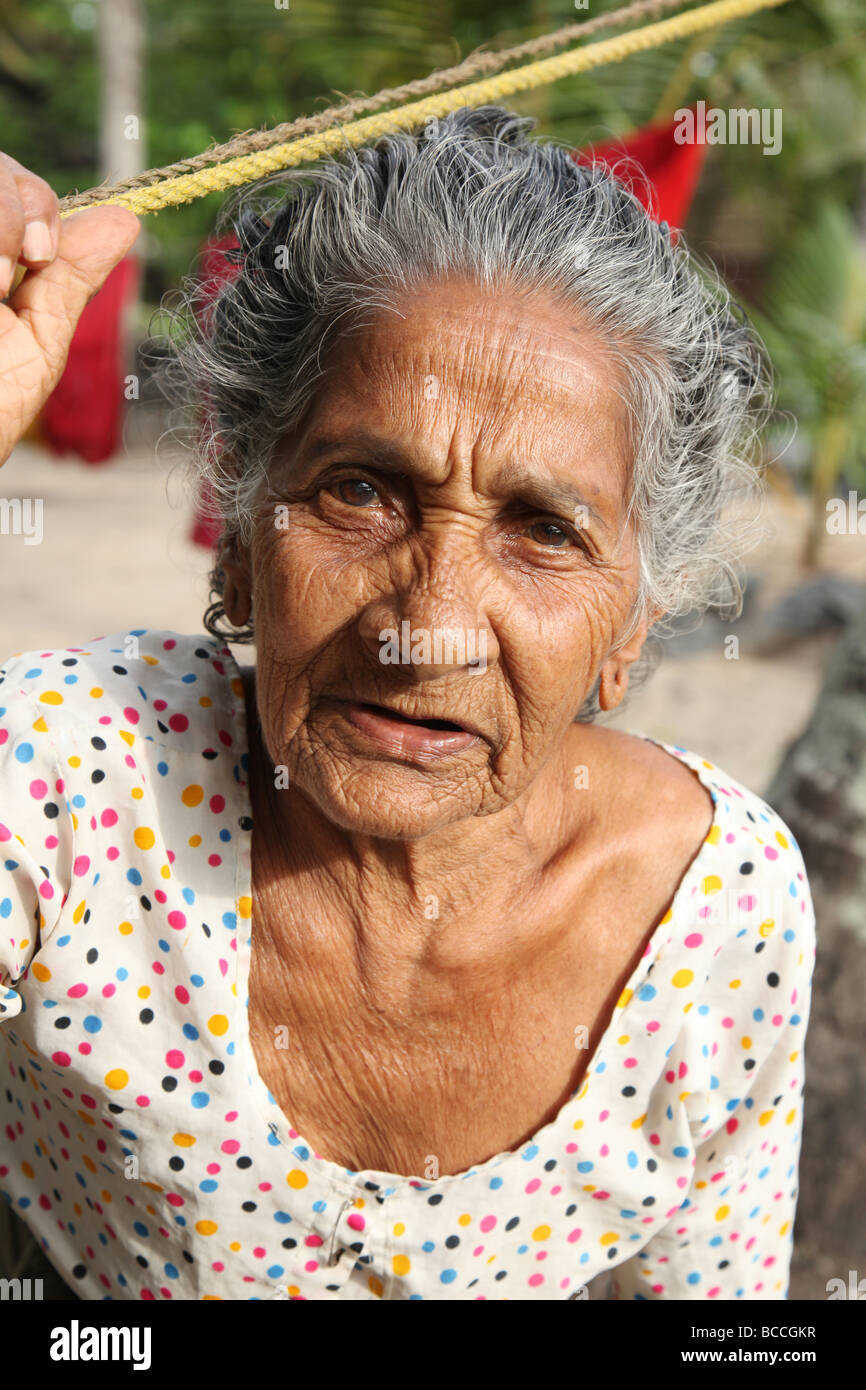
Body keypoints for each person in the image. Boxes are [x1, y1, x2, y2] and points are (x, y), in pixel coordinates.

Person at [0, 107, 814, 1301]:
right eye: (361, 492)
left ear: (630, 622)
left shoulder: (717, 908)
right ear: (237, 537)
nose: (427, 618)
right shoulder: (72, 782)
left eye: (542, 531)